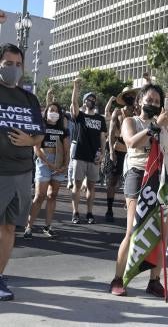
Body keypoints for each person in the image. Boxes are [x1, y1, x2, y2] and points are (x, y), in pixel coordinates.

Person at [110, 63, 168, 297]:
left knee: (162, 232)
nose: (152, 103)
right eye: (148, 99)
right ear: (139, 101)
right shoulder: (130, 121)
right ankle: (118, 278)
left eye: (156, 100)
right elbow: (132, 143)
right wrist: (156, 125)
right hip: (138, 175)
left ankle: (154, 280)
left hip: (162, 177)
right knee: (133, 230)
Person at [0, 43, 44, 301]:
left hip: (22, 173)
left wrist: (30, 141)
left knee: (8, 229)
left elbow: (39, 134)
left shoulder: (29, 99)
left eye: (18, 65)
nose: (13, 69)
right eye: (8, 64)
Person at [24, 102, 70, 239]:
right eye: (51, 110)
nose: (54, 112)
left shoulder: (63, 129)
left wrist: (65, 165)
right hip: (44, 162)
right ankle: (29, 227)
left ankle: (48, 226)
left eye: (56, 110)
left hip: (59, 161)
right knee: (40, 196)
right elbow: (36, 149)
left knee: (53, 195)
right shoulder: (40, 126)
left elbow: (67, 149)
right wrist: (49, 163)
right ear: (46, 111)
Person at [70, 78, 107, 224]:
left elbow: (102, 137)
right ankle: (75, 212)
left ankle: (89, 213)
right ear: (84, 101)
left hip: (94, 156)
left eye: (93, 99)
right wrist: (75, 87)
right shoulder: (80, 116)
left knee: (91, 186)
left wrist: (103, 153)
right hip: (79, 155)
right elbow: (73, 103)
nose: (92, 100)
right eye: (89, 98)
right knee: (77, 185)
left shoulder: (100, 119)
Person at [104, 87, 138, 222]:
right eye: (128, 96)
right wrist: (111, 152)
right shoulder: (118, 112)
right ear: (123, 99)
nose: (130, 98)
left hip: (132, 151)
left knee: (132, 180)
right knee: (113, 180)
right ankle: (109, 208)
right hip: (118, 149)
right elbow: (111, 133)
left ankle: (130, 206)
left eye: (132, 96)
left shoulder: (137, 113)